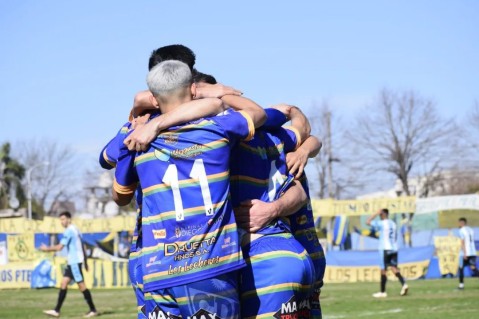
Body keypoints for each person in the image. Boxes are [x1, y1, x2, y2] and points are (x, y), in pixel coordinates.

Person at [112, 60, 265, 318]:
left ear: (154, 98)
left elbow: (118, 191)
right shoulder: (217, 128)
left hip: (159, 272)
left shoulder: (136, 139)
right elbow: (257, 112)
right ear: (193, 90)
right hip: (211, 267)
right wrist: (212, 93)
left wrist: (149, 123)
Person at [40, 211, 97, 318]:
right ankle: (56, 310)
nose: (62, 222)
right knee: (64, 283)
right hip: (74, 262)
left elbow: (59, 247)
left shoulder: (69, 231)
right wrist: (85, 261)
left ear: (69, 219)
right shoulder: (76, 229)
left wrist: (46, 249)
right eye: (60, 220)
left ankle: (93, 310)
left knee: (81, 286)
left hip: (75, 262)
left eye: (63, 219)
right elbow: (83, 246)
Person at [366, 208, 408, 298]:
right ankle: (404, 284)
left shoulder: (382, 223)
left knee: (383, 270)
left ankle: (382, 292)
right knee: (393, 267)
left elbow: (368, 222)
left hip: (385, 248)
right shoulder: (393, 224)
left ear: (382, 214)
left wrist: (376, 213)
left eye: (380, 215)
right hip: (394, 248)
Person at [457, 217, 479, 289]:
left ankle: (461, 286)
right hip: (473, 252)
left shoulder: (461, 230)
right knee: (473, 268)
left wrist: (464, 253)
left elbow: (463, 242)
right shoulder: (471, 229)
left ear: (461, 223)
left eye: (459, 223)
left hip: (465, 253)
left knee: (461, 268)